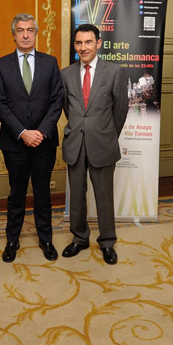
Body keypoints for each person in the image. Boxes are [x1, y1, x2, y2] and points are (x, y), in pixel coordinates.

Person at [0, 13, 64, 263]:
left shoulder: (50, 62)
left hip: (45, 142)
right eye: (20, 30)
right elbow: (0, 104)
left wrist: (41, 132)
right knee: (16, 193)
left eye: (30, 30)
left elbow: (57, 101)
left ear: (36, 33)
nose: (25, 35)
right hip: (15, 143)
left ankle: (46, 239)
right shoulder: (1, 65)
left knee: (43, 193)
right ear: (13, 34)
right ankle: (12, 240)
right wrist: (23, 133)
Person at [60, 23, 128, 265]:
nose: (83, 47)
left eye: (88, 42)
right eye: (79, 43)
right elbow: (69, 110)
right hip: (75, 143)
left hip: (103, 143)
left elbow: (120, 110)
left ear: (98, 43)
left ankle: (107, 241)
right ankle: (79, 238)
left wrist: (107, 133)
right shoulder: (66, 74)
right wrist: (82, 128)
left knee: (104, 196)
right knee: (77, 196)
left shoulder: (114, 72)